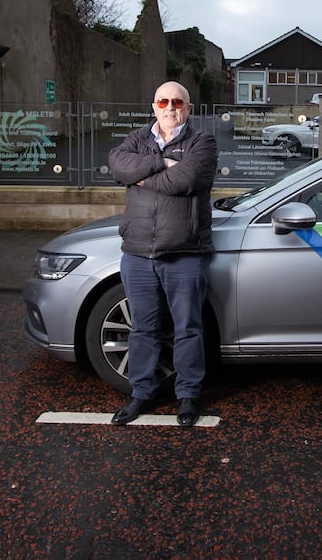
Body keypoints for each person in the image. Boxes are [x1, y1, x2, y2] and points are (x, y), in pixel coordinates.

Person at [107, 81, 218, 427]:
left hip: (184, 252)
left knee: (188, 328)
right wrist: (161, 162)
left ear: (188, 107)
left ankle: (187, 396)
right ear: (153, 106)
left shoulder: (203, 142)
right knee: (142, 329)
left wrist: (141, 175)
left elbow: (182, 182)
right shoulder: (137, 138)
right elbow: (117, 165)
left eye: (178, 102)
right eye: (163, 101)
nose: (171, 107)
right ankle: (141, 393)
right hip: (138, 253)